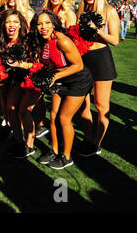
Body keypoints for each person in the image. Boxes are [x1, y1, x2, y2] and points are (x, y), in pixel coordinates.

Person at [25, 10, 93, 169]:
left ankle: (66, 156)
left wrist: (54, 77)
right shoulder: (41, 40)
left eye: (47, 22)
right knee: (54, 116)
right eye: (40, 23)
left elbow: (78, 66)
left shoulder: (62, 40)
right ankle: (54, 151)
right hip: (60, 78)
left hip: (78, 80)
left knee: (64, 118)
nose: (43, 26)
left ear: (54, 23)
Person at [76, 0, 120, 157]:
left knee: (101, 105)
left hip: (101, 59)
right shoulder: (81, 12)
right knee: (82, 103)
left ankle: (97, 143)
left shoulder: (109, 11)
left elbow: (115, 40)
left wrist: (98, 30)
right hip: (83, 60)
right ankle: (88, 139)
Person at [0, 9, 30, 148]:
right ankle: (18, 140)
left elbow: (35, 64)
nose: (12, 25)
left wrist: (20, 64)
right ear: (4, 25)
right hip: (9, 80)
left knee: (20, 110)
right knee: (10, 108)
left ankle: (27, 143)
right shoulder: (1, 41)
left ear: (20, 25)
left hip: (26, 81)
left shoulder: (26, 41)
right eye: (8, 22)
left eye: (15, 22)